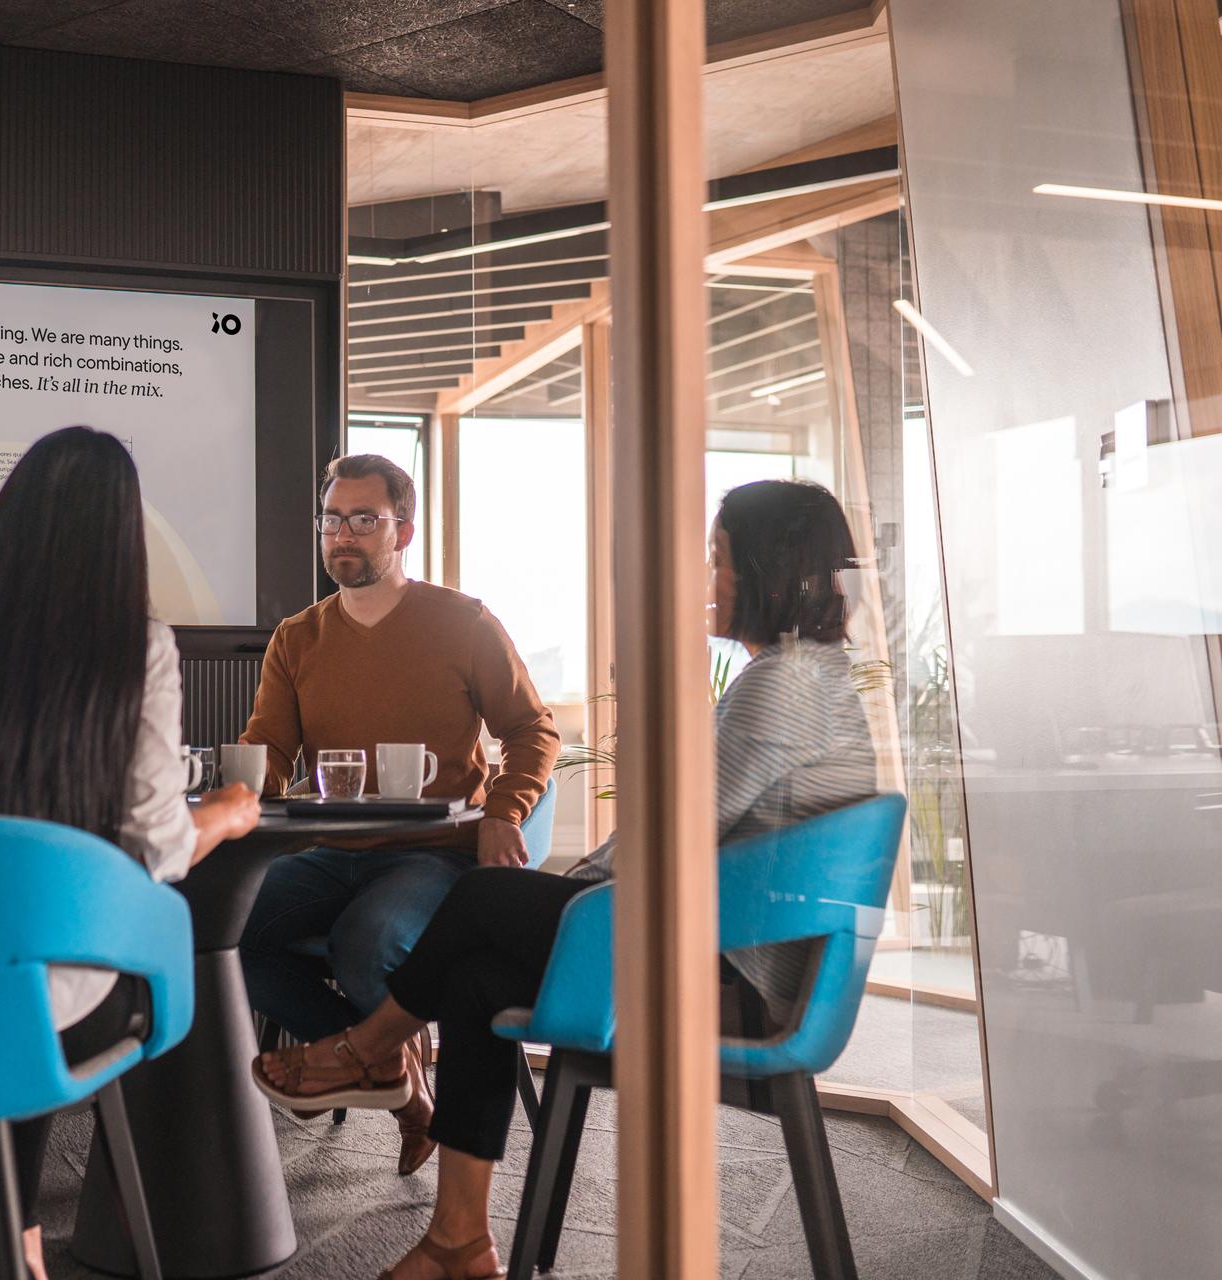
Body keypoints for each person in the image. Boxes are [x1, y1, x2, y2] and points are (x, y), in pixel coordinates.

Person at [250, 479, 879, 1280]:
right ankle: (457, 1240)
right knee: (474, 975)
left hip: (731, 977)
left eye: (716, 559)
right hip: (726, 953)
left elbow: (674, 836)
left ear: (767, 570)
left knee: (482, 896)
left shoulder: (783, 685)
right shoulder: (806, 677)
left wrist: (572, 880)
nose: (704, 578)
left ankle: (367, 1047)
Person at [0, 426, 261, 1280]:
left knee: (9, 953)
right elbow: (159, 844)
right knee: (69, 963)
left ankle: (18, 1227)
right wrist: (226, 815)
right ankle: (23, 1230)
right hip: (51, 1007)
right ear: (119, 533)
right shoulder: (135, 645)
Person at [238, 454, 560, 1177]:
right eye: (330, 519)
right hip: (329, 852)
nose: (341, 535)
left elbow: (533, 731)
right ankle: (395, 1078)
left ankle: (362, 1065)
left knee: (368, 939)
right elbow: (270, 752)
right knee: (223, 928)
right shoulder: (298, 637)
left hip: (435, 852)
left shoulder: (462, 622)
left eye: (362, 519)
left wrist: (505, 812)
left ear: (403, 530)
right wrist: (227, 789)